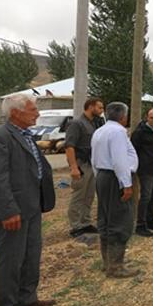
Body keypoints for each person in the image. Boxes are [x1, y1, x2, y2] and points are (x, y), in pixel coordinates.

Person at [0, 93, 56, 306]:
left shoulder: (26, 135)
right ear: (16, 113)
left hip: (31, 207)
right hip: (13, 211)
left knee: (30, 256)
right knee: (9, 261)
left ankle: (25, 300)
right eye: (33, 110)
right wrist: (8, 211)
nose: (37, 113)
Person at [91, 102, 139, 278]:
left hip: (103, 177)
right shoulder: (118, 132)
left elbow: (93, 158)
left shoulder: (100, 131)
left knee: (106, 220)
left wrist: (100, 178)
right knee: (120, 221)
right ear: (123, 116)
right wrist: (126, 184)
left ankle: (108, 262)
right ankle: (116, 266)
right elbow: (120, 160)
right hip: (115, 178)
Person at [64, 97, 104, 239]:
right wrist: (74, 167)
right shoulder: (76, 124)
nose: (101, 110)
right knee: (78, 195)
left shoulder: (95, 123)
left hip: (92, 163)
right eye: (99, 107)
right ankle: (75, 225)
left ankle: (85, 222)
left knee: (89, 195)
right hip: (81, 164)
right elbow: (69, 146)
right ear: (91, 107)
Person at [130, 108, 153, 237]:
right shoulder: (139, 132)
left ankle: (150, 221)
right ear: (147, 117)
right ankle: (140, 225)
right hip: (146, 170)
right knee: (145, 197)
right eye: (152, 118)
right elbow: (132, 150)